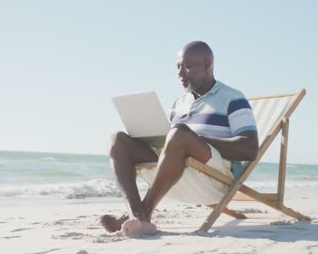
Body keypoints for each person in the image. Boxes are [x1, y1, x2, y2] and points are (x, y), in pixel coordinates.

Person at [100, 41, 259, 236]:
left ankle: (143, 217)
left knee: (179, 134)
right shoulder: (178, 104)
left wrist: (195, 139)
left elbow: (249, 148)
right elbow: (170, 144)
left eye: (187, 66)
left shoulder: (232, 98)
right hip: (175, 173)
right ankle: (136, 214)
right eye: (178, 67)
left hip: (214, 177)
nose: (180, 73)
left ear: (208, 65)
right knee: (117, 140)